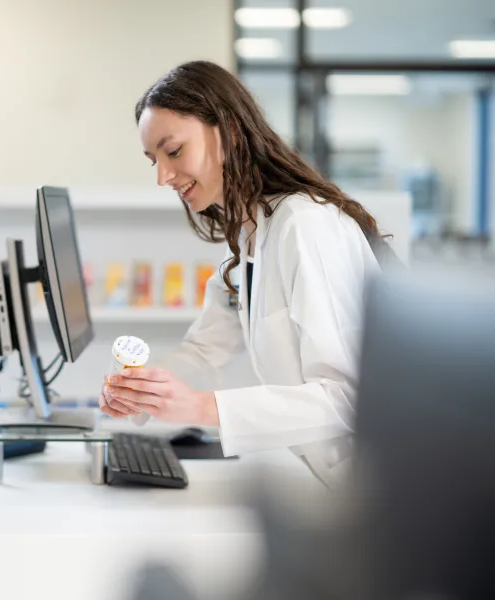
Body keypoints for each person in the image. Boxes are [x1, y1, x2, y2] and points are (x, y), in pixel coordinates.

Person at [100, 61, 393, 486]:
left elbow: (349, 398)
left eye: (174, 151)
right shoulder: (248, 235)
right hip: (326, 476)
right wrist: (140, 393)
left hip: (378, 484)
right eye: (154, 161)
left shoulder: (305, 225)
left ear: (228, 132)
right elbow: (203, 352)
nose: (163, 176)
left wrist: (203, 408)